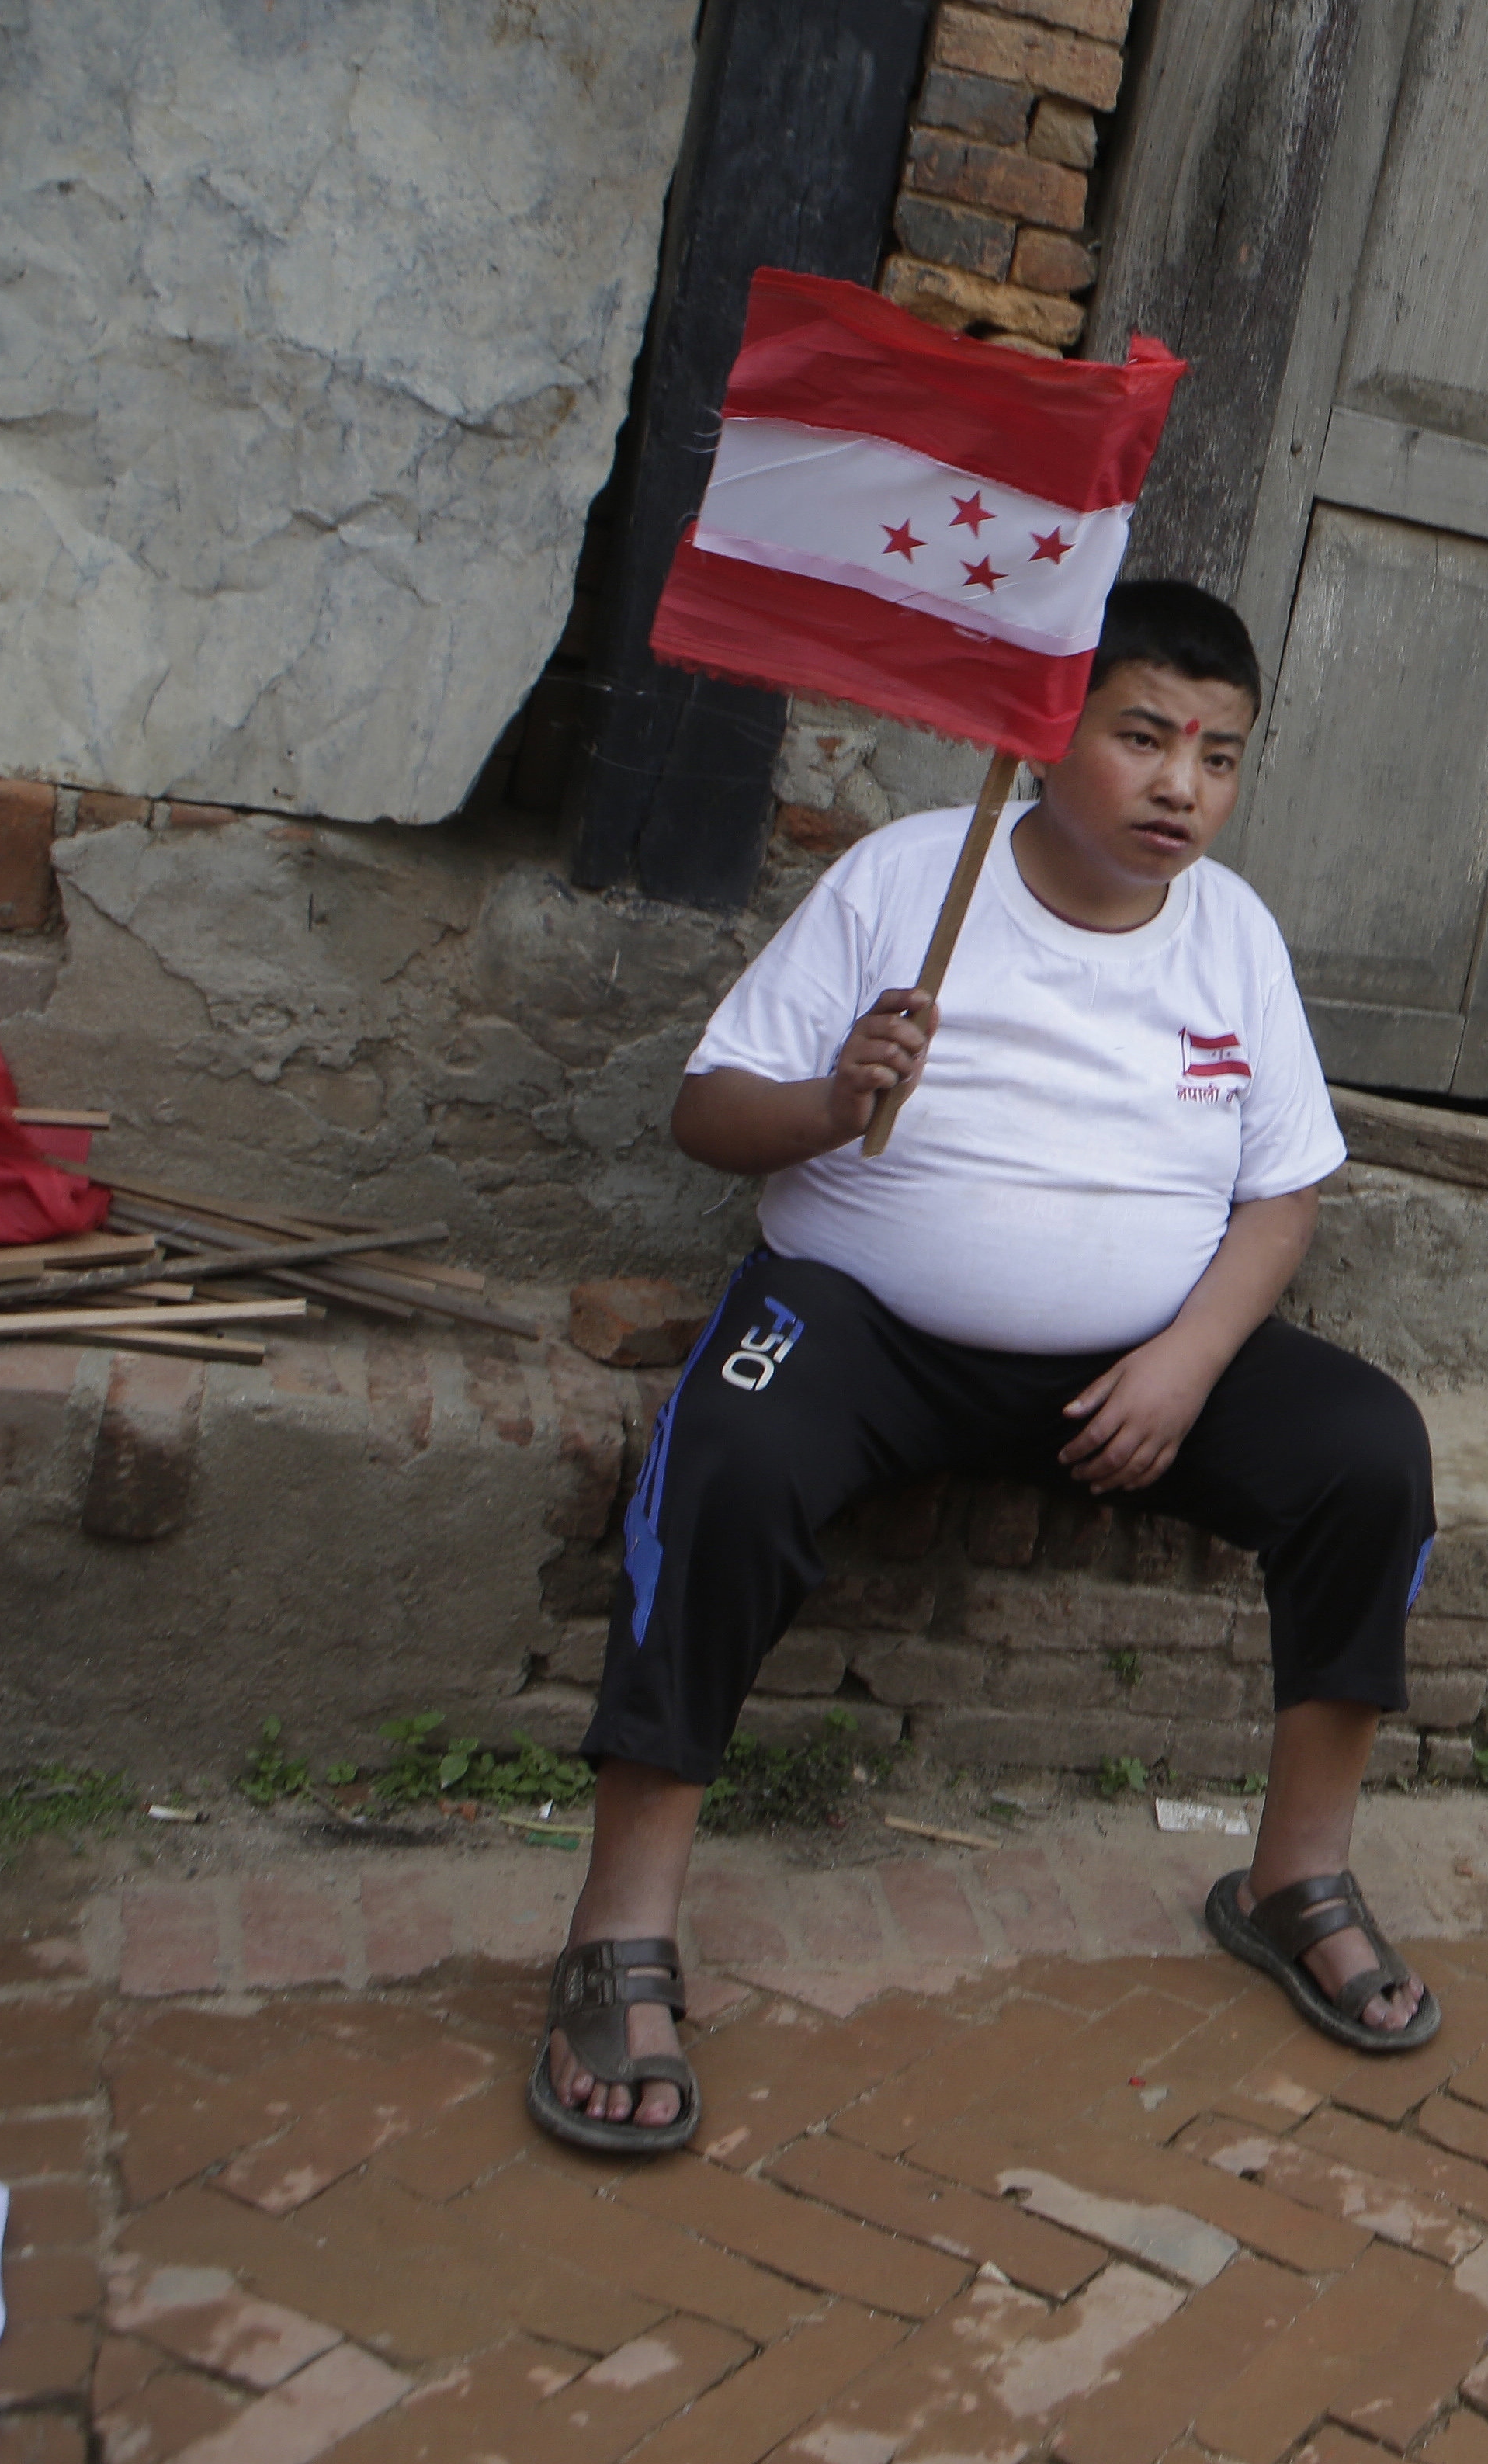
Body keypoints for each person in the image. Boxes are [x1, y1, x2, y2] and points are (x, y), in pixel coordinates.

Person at [533, 578, 1441, 2153]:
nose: (1181, 788)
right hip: (864, 1329)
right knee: (732, 1459)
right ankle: (622, 1926)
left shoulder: (1232, 935)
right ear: (1050, 737)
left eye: (1219, 757)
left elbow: (1281, 1195)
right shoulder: (908, 882)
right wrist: (830, 1102)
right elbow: (706, 1110)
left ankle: (1292, 1873)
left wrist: (1186, 1361)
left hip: (1136, 1359)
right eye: (1143, 737)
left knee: (1371, 1453)